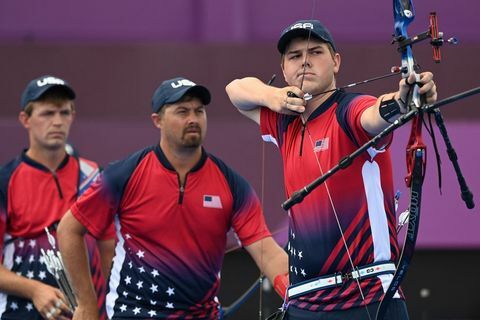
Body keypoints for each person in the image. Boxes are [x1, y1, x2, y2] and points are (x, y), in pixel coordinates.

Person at [225, 19, 438, 319]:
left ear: (336, 61)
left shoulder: (349, 111)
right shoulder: (283, 121)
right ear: (284, 69)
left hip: (365, 298)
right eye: (295, 56)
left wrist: (405, 97)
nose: (305, 62)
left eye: (315, 52)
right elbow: (235, 89)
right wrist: (273, 97)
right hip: (303, 302)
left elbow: (376, 113)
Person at [56, 77, 289, 320]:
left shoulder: (232, 184)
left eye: (199, 111)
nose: (193, 119)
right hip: (133, 313)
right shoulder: (124, 174)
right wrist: (86, 304)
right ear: (157, 120)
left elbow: (268, 254)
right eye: (182, 111)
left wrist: (301, 297)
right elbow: (69, 229)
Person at [0, 75, 115, 319]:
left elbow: (110, 250)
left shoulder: (95, 176)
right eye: (47, 113)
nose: (57, 121)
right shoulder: (5, 180)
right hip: (20, 312)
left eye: (64, 113)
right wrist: (35, 290)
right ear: (25, 119)